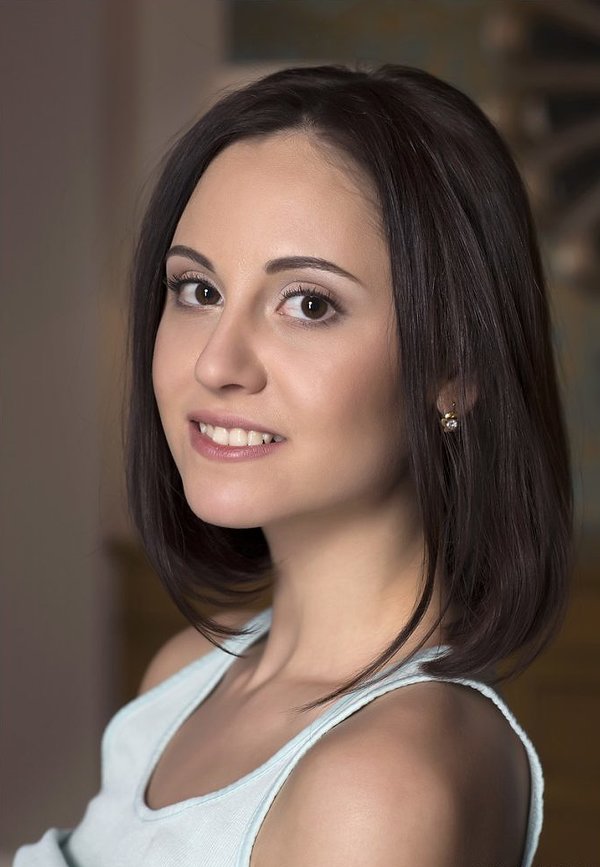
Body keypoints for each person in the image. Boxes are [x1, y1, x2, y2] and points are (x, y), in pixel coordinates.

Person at [14, 63, 572, 867]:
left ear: (455, 365)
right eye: (198, 289)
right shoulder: (184, 676)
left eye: (308, 303)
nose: (216, 363)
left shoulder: (378, 787)